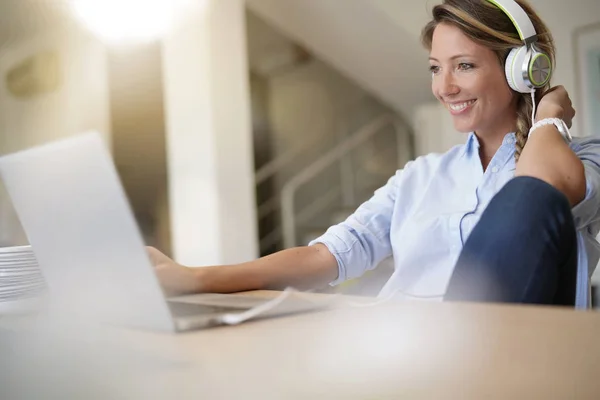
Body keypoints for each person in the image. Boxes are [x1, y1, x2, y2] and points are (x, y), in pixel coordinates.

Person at [148, 0, 600, 307]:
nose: (444, 88)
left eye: (464, 66)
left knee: (524, 200)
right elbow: (327, 257)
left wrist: (549, 116)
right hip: (400, 362)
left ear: (522, 70)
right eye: (435, 69)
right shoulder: (419, 178)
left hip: (492, 365)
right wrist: (194, 277)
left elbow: (542, 189)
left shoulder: (582, 159)